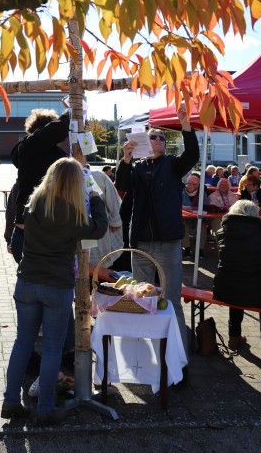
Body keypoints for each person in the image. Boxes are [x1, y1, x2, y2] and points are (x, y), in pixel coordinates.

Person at [1, 158, 108, 425]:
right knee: (51, 348)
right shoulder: (71, 214)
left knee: (22, 343)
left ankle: (11, 401)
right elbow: (99, 228)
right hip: (56, 286)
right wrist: (95, 197)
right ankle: (46, 408)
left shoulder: (34, 204)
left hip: (26, 282)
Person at [115, 104, 199, 359]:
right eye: (152, 136)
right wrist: (126, 158)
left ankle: (178, 360)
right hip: (140, 242)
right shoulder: (137, 167)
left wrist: (186, 126)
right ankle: (146, 357)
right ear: (143, 142)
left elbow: (192, 155)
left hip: (167, 243)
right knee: (141, 299)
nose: (157, 140)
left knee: (171, 300)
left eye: (161, 137)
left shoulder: (173, 165)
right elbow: (122, 184)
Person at [213, 200, 261, 355]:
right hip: (253, 290)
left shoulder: (221, 232)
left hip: (224, 289)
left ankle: (233, 338)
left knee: (237, 286)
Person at [10, 108, 70, 263]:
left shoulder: (53, 154)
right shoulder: (28, 147)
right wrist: (72, 108)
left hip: (47, 231)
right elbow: (58, 129)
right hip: (29, 234)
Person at [88, 168, 123, 268]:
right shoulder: (63, 175)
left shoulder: (96, 176)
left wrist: (115, 220)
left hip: (99, 228)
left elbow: (113, 200)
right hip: (78, 231)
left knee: (99, 269)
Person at [181, 173, 210, 259]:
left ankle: (200, 249)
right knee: (183, 227)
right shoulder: (181, 192)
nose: (190, 186)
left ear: (198, 185)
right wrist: (183, 207)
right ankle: (187, 248)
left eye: (194, 184)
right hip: (185, 218)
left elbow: (206, 207)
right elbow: (176, 204)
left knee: (202, 228)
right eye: (189, 183)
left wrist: (193, 208)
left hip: (198, 218)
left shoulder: (202, 193)